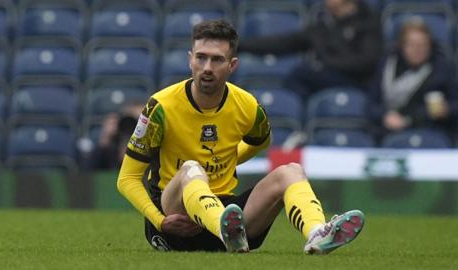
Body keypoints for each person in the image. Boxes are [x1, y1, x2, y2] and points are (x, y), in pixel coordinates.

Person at [117, 19, 365, 253]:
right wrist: (160, 221)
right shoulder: (160, 107)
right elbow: (127, 178)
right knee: (192, 169)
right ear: (190, 60)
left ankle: (317, 233)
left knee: (291, 171)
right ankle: (226, 231)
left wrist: (230, 158)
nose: (207, 68)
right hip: (177, 222)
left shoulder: (247, 106)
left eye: (217, 60)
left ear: (232, 65)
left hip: (231, 215)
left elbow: (261, 141)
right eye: (201, 58)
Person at [238, 0, 382, 100]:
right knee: (299, 75)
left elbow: (368, 60)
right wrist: (240, 45)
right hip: (326, 77)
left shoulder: (368, 22)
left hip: (359, 82)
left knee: (303, 73)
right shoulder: (322, 26)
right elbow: (283, 43)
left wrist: (328, 64)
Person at [368, 18, 458, 139]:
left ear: (430, 45)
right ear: (402, 45)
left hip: (430, 130)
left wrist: (447, 109)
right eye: (411, 44)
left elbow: (455, 103)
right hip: (388, 130)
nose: (417, 49)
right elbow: (372, 103)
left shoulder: (443, 68)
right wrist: (384, 115)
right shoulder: (387, 63)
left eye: (422, 44)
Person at [88, 100, 144, 169]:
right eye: (130, 120)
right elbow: (88, 172)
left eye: (140, 121)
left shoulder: (151, 143)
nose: (134, 126)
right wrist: (104, 141)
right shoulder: (114, 141)